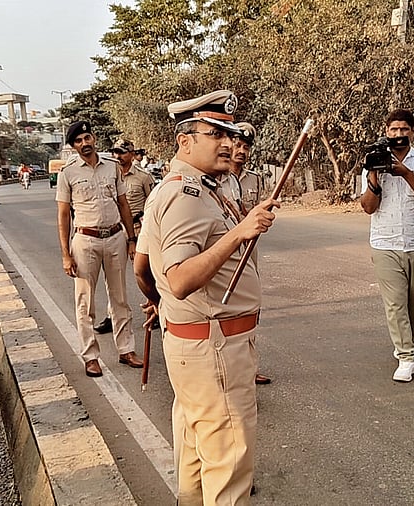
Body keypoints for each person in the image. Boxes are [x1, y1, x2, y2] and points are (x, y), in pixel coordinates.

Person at [136, 90, 278, 504]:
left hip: (195, 338)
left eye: (231, 134)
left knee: (198, 456)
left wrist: (163, 304)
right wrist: (240, 231)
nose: (229, 143)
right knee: (228, 464)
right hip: (215, 344)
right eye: (215, 133)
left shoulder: (186, 187)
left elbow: (143, 267)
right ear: (185, 140)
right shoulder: (187, 195)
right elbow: (178, 278)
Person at [55, 120, 143, 378]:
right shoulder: (68, 173)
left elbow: (123, 204)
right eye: (78, 141)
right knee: (85, 302)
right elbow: (63, 215)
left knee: (120, 298)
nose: (85, 143)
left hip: (115, 237)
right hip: (85, 241)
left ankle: (126, 350)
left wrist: (131, 238)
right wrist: (65, 254)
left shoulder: (112, 167)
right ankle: (90, 356)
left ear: (94, 138)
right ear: (73, 147)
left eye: (87, 138)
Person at [360, 109, 414, 382]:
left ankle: (408, 348)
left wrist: (403, 172)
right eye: (394, 130)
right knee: (395, 305)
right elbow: (368, 207)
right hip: (385, 242)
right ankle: (405, 356)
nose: (399, 135)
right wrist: (375, 178)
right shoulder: (372, 162)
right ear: (386, 131)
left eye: (404, 130)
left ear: (412, 132)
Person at [218, 121, 272, 385]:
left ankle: (250, 366)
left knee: (251, 305)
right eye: (237, 144)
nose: (240, 150)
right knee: (225, 305)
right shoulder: (216, 177)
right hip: (223, 249)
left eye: (245, 146)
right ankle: (228, 366)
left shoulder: (255, 179)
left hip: (249, 250)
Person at [93, 139, 156, 335]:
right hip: (115, 229)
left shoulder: (143, 177)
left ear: (131, 153)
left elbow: (154, 204)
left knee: (147, 272)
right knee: (113, 277)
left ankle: (155, 308)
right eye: (115, 153)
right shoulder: (108, 175)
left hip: (139, 229)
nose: (118, 156)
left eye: (122, 152)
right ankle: (113, 316)